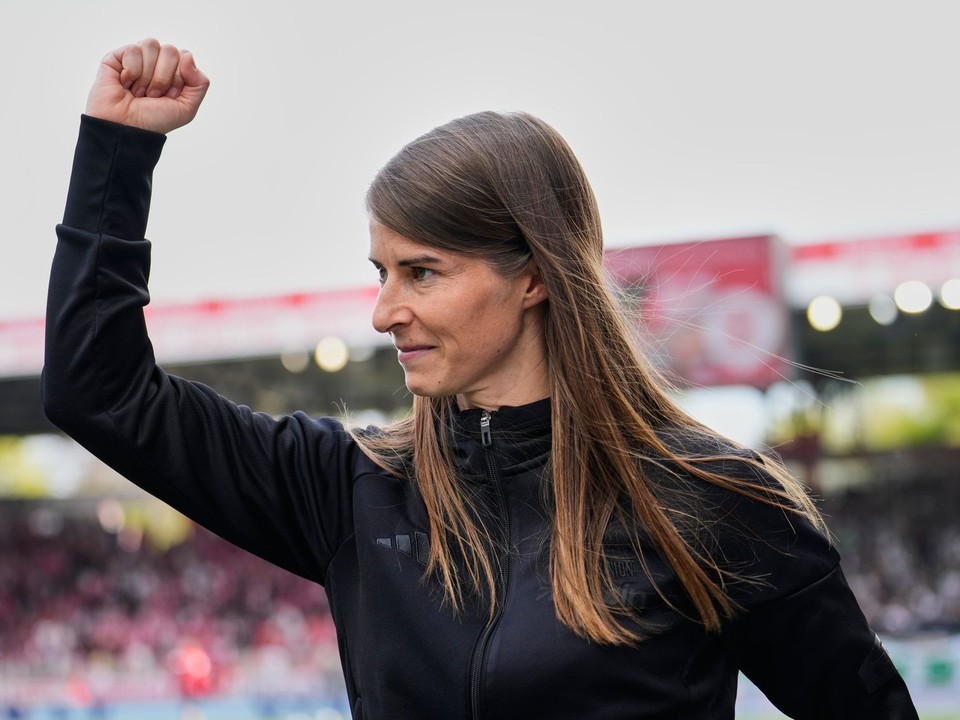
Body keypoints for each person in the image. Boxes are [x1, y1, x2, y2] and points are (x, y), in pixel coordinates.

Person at [43, 39, 919, 719]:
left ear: (533, 275)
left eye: (421, 273)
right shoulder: (350, 491)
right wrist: (118, 153)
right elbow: (100, 391)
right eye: (379, 273)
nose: (385, 311)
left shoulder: (712, 501)